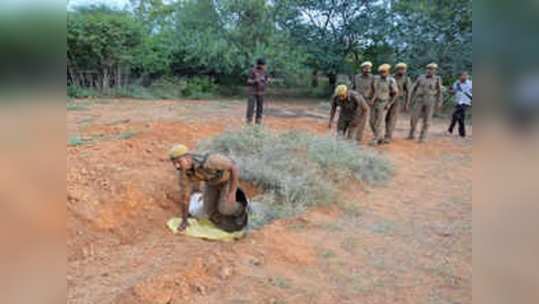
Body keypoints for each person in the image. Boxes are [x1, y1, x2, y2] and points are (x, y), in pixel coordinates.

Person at [169, 144, 242, 231]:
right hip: (211, 183)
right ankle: (225, 223)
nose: (177, 166)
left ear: (188, 158)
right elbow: (185, 198)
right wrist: (184, 221)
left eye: (179, 162)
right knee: (209, 211)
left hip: (227, 181)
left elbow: (234, 168)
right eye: (174, 163)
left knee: (224, 208)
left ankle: (243, 209)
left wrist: (232, 192)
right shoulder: (184, 173)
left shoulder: (210, 160)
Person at [408, 63, 444, 143]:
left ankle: (422, 137)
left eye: (433, 69)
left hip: (430, 100)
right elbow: (413, 88)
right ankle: (412, 133)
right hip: (419, 99)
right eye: (429, 69)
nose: (430, 71)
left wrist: (439, 102)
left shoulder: (437, 79)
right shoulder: (420, 77)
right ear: (426, 69)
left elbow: (439, 91)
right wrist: (410, 99)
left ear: (435, 71)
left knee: (427, 120)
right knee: (414, 118)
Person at [369, 64, 398, 145]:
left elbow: (395, 93)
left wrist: (389, 104)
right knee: (371, 121)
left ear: (388, 72)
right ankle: (380, 137)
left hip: (383, 103)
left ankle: (376, 139)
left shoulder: (391, 81)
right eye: (381, 72)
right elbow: (373, 89)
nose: (382, 74)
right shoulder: (376, 79)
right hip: (374, 102)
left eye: (384, 72)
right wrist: (371, 99)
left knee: (379, 122)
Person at [383, 62, 412, 143]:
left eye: (403, 69)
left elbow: (408, 92)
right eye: (400, 69)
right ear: (396, 69)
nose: (402, 71)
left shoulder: (406, 79)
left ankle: (388, 136)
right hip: (388, 98)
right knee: (386, 117)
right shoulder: (391, 77)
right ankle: (385, 133)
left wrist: (407, 103)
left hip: (398, 100)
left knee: (392, 118)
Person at [447, 71, 472, 137]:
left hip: (466, 102)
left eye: (466, 75)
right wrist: (450, 91)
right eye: (463, 75)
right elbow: (454, 92)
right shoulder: (456, 83)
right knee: (460, 117)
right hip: (458, 102)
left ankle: (450, 129)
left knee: (455, 114)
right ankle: (462, 134)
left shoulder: (470, 83)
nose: (464, 77)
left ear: (468, 76)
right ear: (460, 76)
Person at [246, 58, 269, 124]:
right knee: (251, 106)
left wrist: (265, 81)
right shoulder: (252, 71)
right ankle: (249, 121)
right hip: (252, 92)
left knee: (260, 107)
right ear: (259, 65)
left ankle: (258, 121)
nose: (265, 66)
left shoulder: (265, 71)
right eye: (263, 65)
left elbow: (267, 80)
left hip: (261, 92)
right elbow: (248, 81)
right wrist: (255, 80)